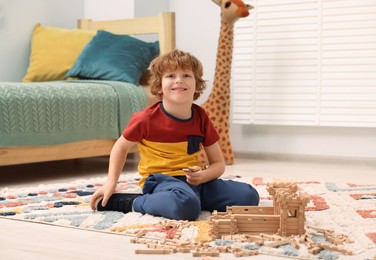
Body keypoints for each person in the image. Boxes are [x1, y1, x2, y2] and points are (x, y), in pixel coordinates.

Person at [89, 49, 259, 220]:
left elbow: (218, 164)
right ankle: (133, 202)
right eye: (170, 76)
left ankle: (188, 201)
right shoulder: (145, 119)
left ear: (196, 84)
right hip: (161, 181)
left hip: (195, 182)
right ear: (159, 85)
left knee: (249, 196)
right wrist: (111, 183)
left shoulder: (201, 117)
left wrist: (202, 176)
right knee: (186, 206)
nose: (179, 80)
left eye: (186, 75)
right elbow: (120, 147)